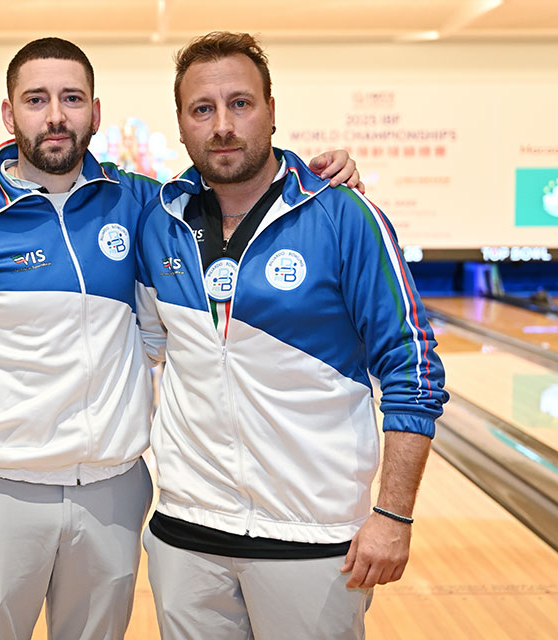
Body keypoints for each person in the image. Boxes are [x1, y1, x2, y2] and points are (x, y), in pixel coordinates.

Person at [0, 37, 360, 640]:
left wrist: (320, 176)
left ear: (95, 111)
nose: (55, 116)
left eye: (72, 98)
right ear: (9, 113)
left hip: (111, 493)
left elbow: (234, 181)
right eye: (36, 99)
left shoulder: (138, 203)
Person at [135, 31, 448, 640]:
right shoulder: (159, 221)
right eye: (203, 109)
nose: (223, 125)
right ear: (181, 125)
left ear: (271, 110)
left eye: (240, 103)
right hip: (186, 531)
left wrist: (393, 514)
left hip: (314, 537)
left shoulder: (343, 216)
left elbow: (413, 366)